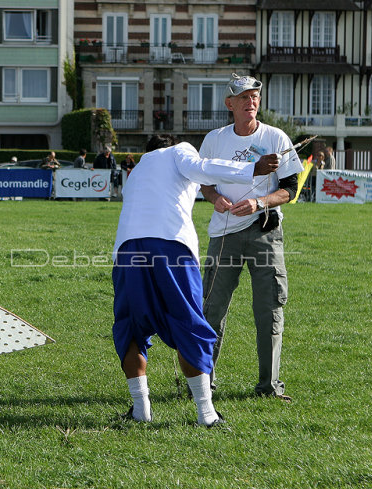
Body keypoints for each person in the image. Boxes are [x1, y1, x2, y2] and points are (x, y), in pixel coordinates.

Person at [113, 134, 279, 425]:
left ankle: (141, 411)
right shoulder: (178, 151)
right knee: (188, 323)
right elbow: (201, 167)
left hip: (127, 248)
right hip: (171, 244)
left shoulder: (137, 169)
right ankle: (206, 414)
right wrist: (252, 168)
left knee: (129, 327)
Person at [198, 74, 304, 401]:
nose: (251, 102)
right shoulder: (214, 140)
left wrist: (260, 202)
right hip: (224, 235)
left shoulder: (275, 138)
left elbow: (293, 188)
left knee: (269, 309)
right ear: (230, 103)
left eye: (255, 96)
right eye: (243, 97)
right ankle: (203, 385)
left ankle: (268, 387)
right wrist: (215, 198)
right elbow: (203, 182)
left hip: (265, 233)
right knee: (211, 309)